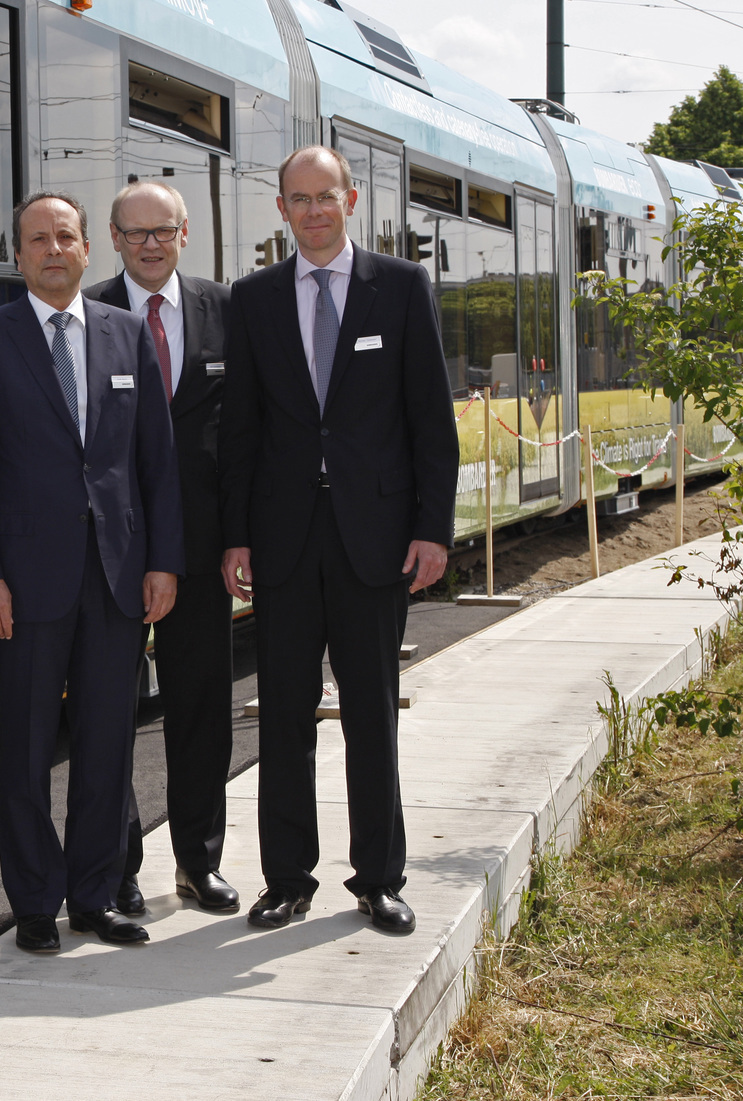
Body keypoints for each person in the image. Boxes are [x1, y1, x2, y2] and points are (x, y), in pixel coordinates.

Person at [218, 145, 456, 937]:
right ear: (281, 208)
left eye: (327, 195)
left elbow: (432, 420)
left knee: (370, 712)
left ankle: (379, 877)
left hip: (376, 538)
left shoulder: (401, 288)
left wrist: (432, 529)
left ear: (351, 199)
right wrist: (235, 538)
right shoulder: (252, 299)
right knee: (283, 713)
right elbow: (240, 430)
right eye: (298, 198)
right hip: (283, 541)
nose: (314, 210)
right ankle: (287, 878)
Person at [0, 191, 183, 954]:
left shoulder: (124, 333)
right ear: (18, 256)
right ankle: (34, 903)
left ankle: (95, 893)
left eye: (66, 236)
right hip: (23, 581)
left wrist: (162, 562)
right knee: (24, 747)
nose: (53, 249)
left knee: (109, 744)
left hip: (115, 578)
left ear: (89, 249)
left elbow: (156, 461)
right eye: (38, 239)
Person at [87, 182, 241, 917]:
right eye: (135, 232)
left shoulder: (225, 311)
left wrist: (242, 535)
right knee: (109, 713)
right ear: (113, 238)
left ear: (186, 234)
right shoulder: (83, 314)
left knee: (202, 708)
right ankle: (115, 868)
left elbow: (247, 434)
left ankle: (198, 863)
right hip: (112, 552)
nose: (151, 243)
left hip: (203, 550)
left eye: (164, 230)